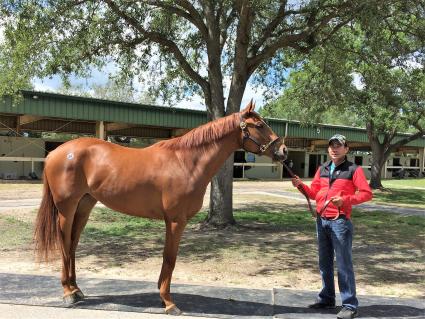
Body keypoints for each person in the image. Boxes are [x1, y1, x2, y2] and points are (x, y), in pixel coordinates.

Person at [292, 134, 372, 319]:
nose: (334, 149)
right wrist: (300, 185)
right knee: (325, 263)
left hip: (340, 222)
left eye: (338, 146)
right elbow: (314, 193)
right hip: (321, 221)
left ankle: (350, 305)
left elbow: (367, 194)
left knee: (344, 264)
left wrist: (345, 200)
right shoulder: (323, 169)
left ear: (346, 149)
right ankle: (327, 298)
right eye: (331, 146)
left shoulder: (354, 169)